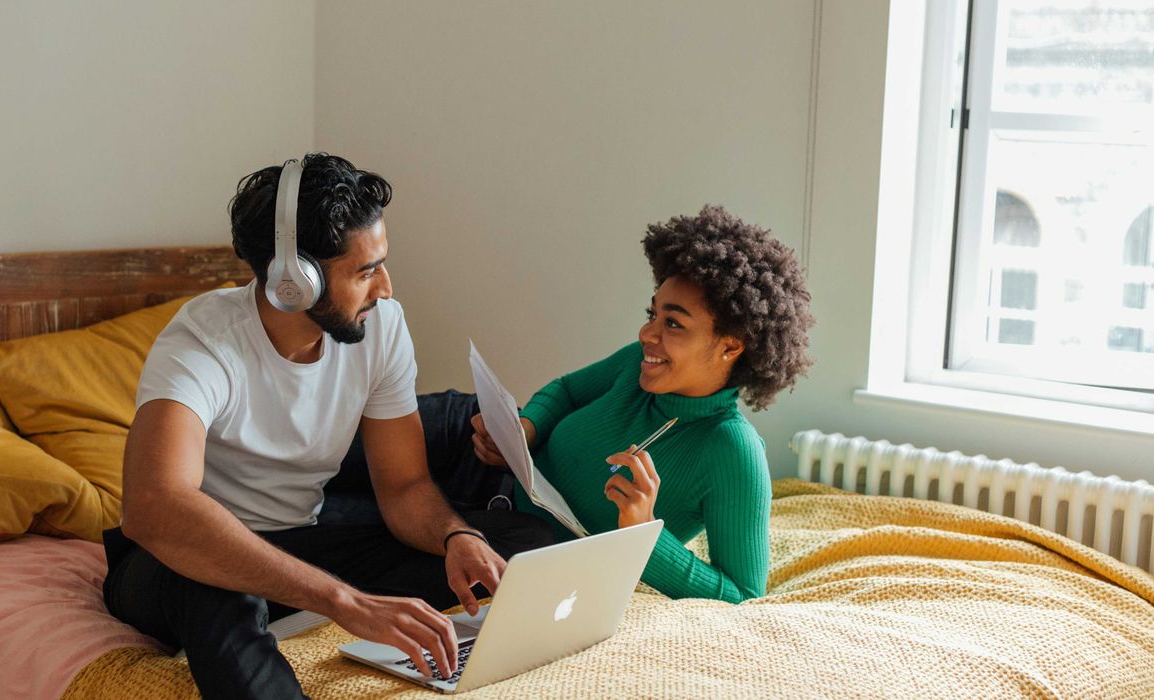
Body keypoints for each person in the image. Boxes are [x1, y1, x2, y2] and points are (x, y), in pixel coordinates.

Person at [103, 153, 552, 699]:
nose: (384, 288)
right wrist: (344, 602)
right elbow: (154, 507)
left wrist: (456, 536)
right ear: (295, 281)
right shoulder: (203, 343)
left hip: (305, 542)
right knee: (226, 591)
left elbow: (405, 486)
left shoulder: (382, 327)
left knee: (517, 547)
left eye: (381, 264)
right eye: (365, 272)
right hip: (177, 563)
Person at [471, 205, 814, 603]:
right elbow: (565, 391)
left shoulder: (732, 452)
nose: (646, 333)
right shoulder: (638, 363)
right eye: (653, 313)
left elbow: (742, 593)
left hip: (513, 534)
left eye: (673, 323)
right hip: (484, 467)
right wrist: (524, 431)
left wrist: (643, 532)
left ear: (730, 345)